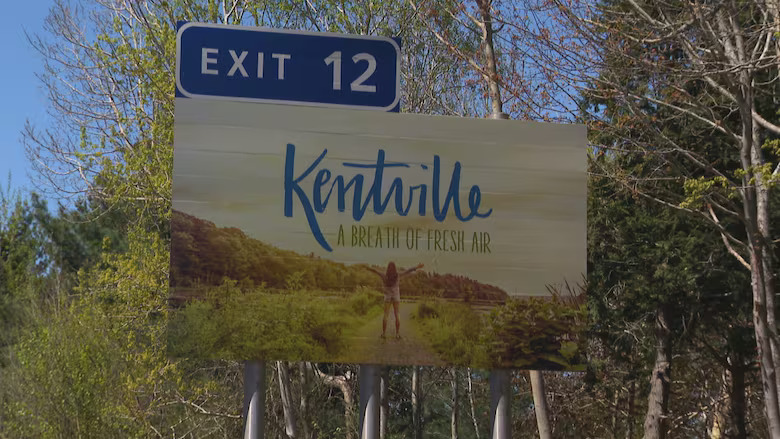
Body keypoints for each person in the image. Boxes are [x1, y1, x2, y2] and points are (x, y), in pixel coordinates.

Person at [366, 262, 424, 339]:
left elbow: (375, 271)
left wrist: (367, 268)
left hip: (387, 297)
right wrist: (417, 267)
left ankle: (383, 334)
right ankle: (397, 334)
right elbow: (408, 271)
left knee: (385, 315)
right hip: (396, 297)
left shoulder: (384, 275)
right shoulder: (398, 275)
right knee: (397, 314)